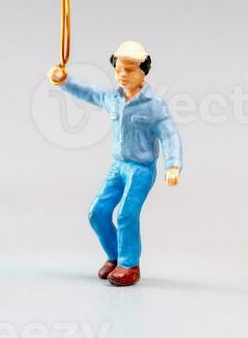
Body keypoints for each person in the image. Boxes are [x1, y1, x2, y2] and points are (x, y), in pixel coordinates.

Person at [49, 40, 182, 287]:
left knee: (125, 215)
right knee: (97, 213)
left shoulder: (154, 105)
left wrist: (173, 166)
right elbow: (89, 94)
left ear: (144, 70)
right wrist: (63, 82)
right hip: (118, 166)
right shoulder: (113, 98)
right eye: (118, 68)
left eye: (129, 69)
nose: (122, 74)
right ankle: (115, 257)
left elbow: (169, 134)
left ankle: (130, 264)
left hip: (141, 170)